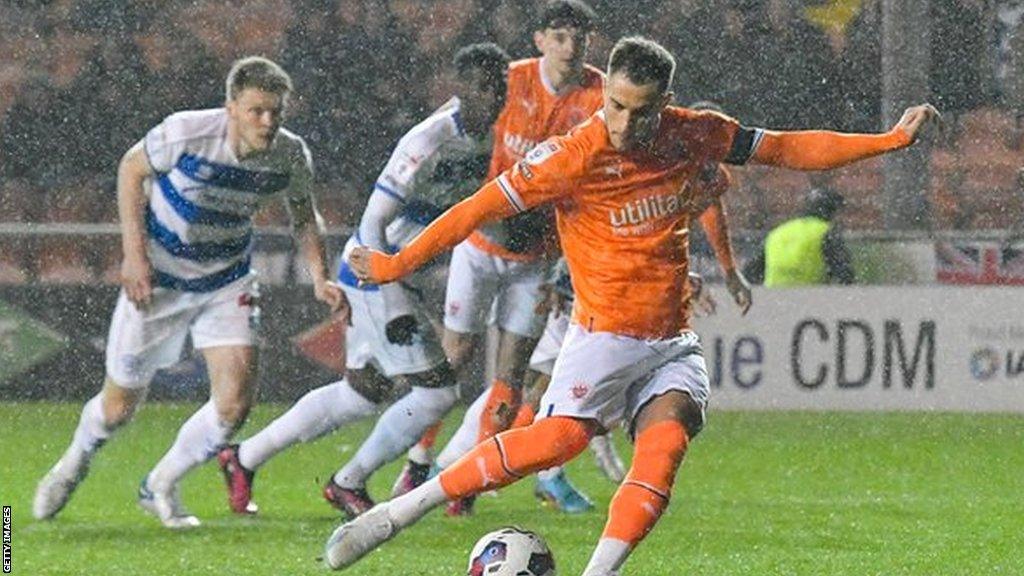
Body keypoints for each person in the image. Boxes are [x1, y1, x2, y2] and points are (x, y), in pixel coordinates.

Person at [327, 36, 938, 573]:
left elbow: (783, 148)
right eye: (614, 105)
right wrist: (395, 264)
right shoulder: (574, 155)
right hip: (602, 337)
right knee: (555, 443)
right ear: (606, 92)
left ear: (664, 102)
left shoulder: (693, 132)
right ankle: (400, 512)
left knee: (666, 445)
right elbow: (475, 209)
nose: (622, 122)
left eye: (639, 111)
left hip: (672, 340)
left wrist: (887, 142)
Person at [32, 56, 344, 529]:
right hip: (160, 279)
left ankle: (160, 482)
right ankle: (74, 460)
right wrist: (134, 256)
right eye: (257, 111)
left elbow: (304, 216)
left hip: (227, 278)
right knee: (118, 409)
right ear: (231, 108)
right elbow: (130, 170)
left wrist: (320, 276)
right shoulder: (187, 133)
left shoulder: (290, 153)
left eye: (276, 112)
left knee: (234, 404)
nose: (268, 122)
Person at [215, 43, 511, 519]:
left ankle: (243, 457)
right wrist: (389, 296)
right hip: (375, 271)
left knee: (361, 393)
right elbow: (373, 223)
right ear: (458, 89)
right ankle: (347, 482)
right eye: (481, 88)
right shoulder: (428, 140)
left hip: (398, 274)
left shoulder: (490, 135)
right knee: (438, 392)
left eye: (500, 88)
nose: (492, 97)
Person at [393, 0, 606, 516]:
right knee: (453, 360)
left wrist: (566, 261)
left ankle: (466, 482)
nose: (570, 46)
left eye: (578, 36)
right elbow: (449, 127)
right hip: (481, 247)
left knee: (509, 379)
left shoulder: (599, 96)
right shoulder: (506, 82)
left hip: (537, 256)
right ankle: (419, 460)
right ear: (538, 40)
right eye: (559, 35)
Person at [743, 187, 855, 286]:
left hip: (773, 299)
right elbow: (844, 274)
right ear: (832, 211)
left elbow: (750, 272)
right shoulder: (825, 233)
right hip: (809, 300)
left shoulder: (778, 232)